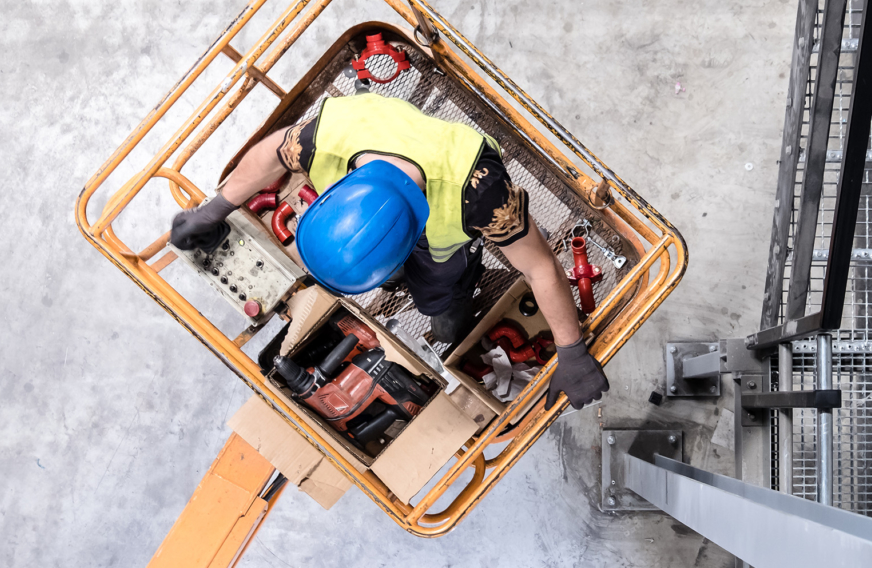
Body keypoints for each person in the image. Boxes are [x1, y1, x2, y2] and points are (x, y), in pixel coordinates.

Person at [170, 89, 608, 410]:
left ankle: (454, 302)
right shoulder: (331, 135)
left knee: (437, 295)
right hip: (397, 180)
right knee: (420, 285)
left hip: (446, 232)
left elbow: (540, 268)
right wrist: (215, 209)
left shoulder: (482, 196)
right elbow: (272, 154)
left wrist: (572, 351)